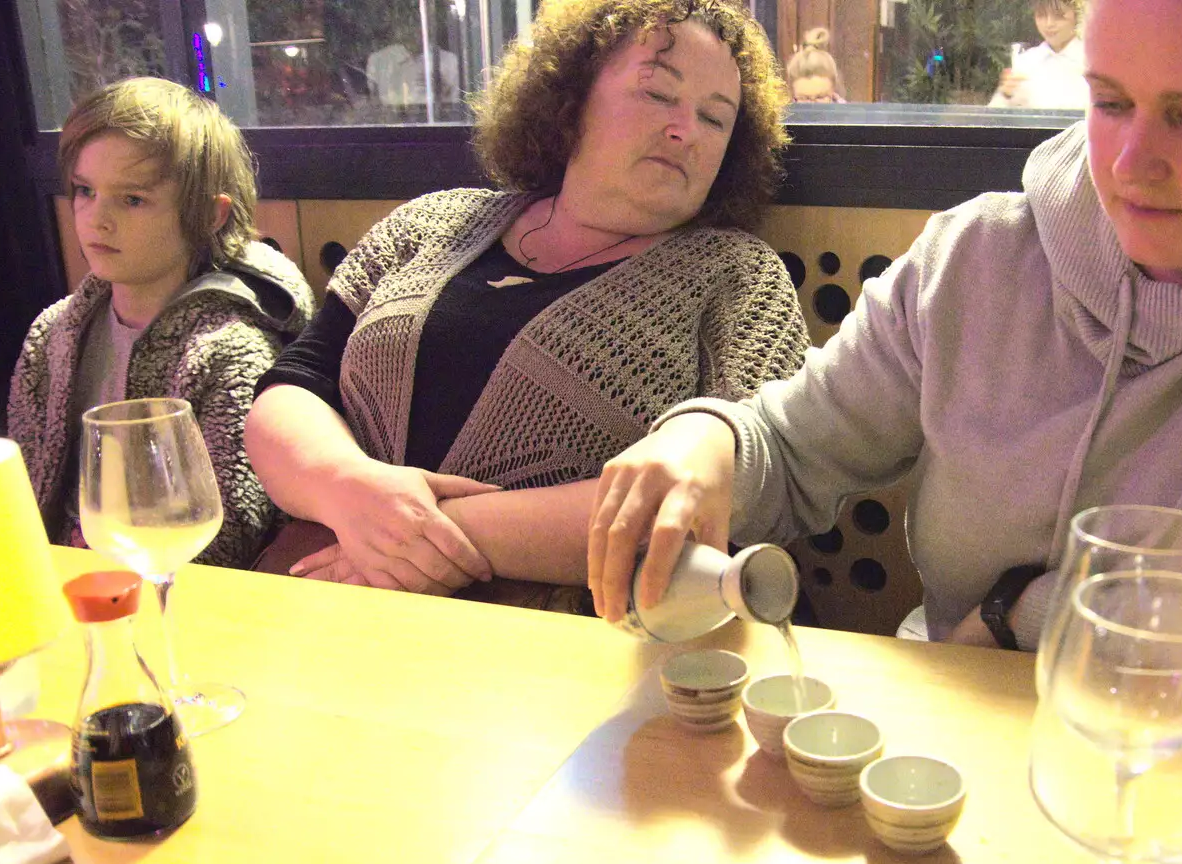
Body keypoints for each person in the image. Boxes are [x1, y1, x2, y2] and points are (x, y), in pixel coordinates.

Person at [588, 0, 1182, 649]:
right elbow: (789, 449)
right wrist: (707, 441)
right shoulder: (983, 255)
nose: (1132, 165)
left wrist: (1004, 617)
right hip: (960, 745)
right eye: (1110, 103)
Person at [244, 0, 809, 608]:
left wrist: (412, 537)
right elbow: (295, 384)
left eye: (714, 119)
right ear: (569, 100)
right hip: (326, 600)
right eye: (657, 94)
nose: (686, 130)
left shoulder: (739, 277)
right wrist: (347, 488)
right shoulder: (433, 223)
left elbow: (741, 488)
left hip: (575, 640)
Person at [8, 77, 313, 569]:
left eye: (132, 199)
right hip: (57, 583)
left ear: (212, 215)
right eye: (84, 190)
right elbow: (23, 490)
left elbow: (230, 533)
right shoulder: (53, 334)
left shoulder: (232, 348)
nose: (95, 219)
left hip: (175, 589)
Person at [990, 0, 1089, 111]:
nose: (1049, 24)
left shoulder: (1091, 61)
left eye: (1059, 16)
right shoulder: (1027, 62)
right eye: (1041, 15)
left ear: (1077, 16)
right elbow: (993, 119)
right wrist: (1006, 94)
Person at [787, 28, 846, 103]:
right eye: (804, 98)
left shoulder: (851, 114)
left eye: (820, 97)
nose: (812, 105)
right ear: (793, 94)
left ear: (833, 90)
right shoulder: (783, 113)